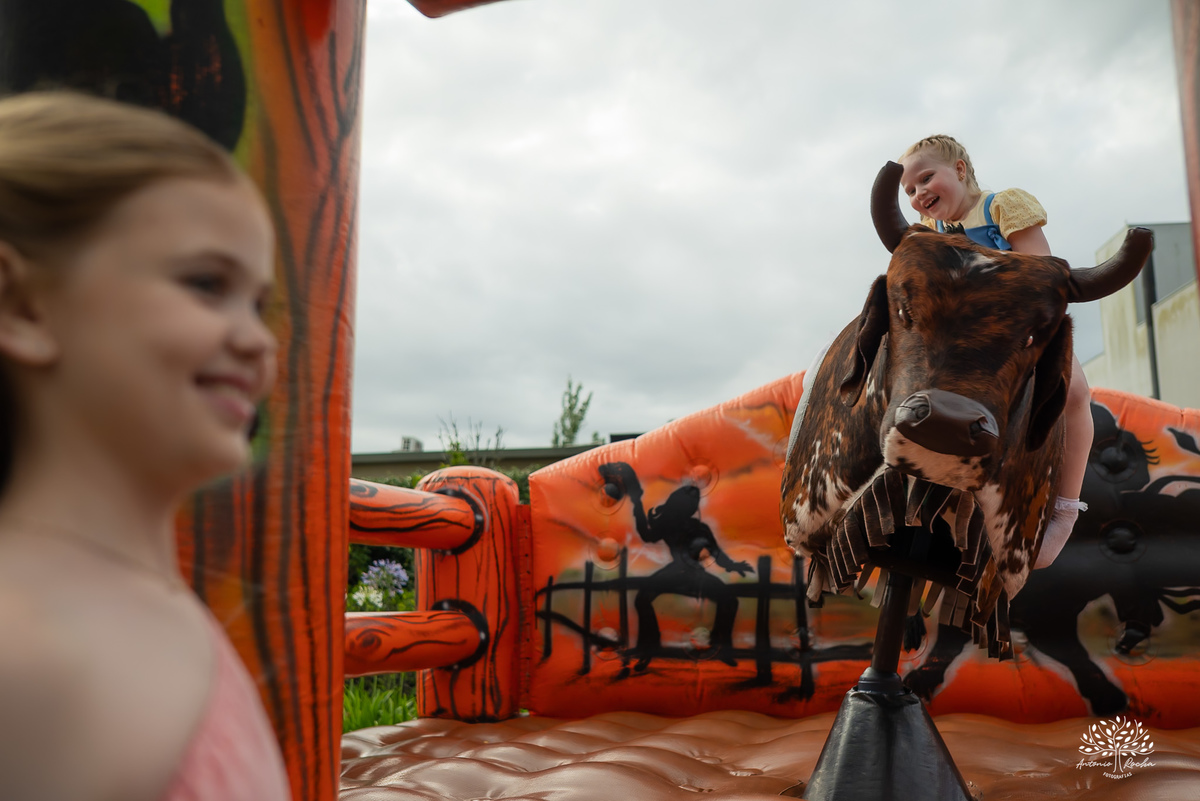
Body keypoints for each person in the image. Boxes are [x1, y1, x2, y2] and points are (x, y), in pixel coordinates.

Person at [0, 91, 289, 801]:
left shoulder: (142, 601)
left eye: (258, 301)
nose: (259, 342)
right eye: (205, 283)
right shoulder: (32, 656)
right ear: (21, 305)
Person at [898, 134, 1092, 570]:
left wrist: (1028, 331)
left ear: (961, 170)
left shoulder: (1002, 207)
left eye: (926, 178)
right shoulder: (927, 235)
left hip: (1023, 328)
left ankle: (1065, 505)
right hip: (962, 344)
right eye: (909, 190)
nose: (918, 194)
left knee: (1076, 395)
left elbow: (1041, 276)